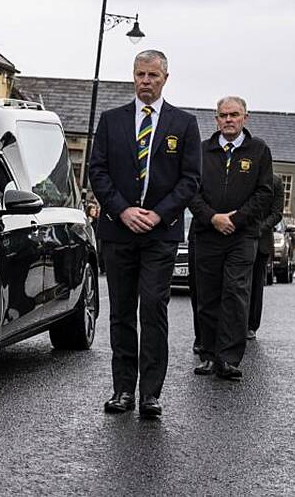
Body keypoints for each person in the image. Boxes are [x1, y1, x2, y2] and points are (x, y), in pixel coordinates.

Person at [88, 50, 201, 419]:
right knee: (121, 312)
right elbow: (97, 170)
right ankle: (123, 389)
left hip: (160, 234)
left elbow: (190, 180)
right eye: (140, 74)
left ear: (165, 78)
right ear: (133, 76)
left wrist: (159, 213)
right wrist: (123, 209)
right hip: (119, 231)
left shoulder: (184, 124)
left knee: (152, 308)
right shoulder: (111, 120)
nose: (146, 81)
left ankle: (150, 393)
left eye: (153, 75)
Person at [189, 96, 274, 382]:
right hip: (208, 233)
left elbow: (264, 192)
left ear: (245, 118)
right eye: (223, 115)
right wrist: (212, 217)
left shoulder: (259, 150)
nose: (228, 120)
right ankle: (209, 354)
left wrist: (235, 220)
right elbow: (190, 190)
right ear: (216, 119)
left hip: (242, 236)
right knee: (208, 295)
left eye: (234, 115)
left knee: (236, 294)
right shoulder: (202, 150)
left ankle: (228, 358)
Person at [248, 174, 284, 340]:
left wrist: (259, 228)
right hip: (238, 235)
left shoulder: (275, 182)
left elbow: (277, 214)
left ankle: (251, 325)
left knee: (256, 284)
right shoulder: (246, 173)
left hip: (261, 239)